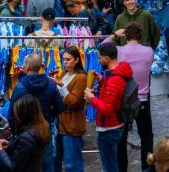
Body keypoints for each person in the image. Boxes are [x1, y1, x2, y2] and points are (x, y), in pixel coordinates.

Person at [111, 23, 154, 172]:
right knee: (146, 136)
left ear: (126, 36)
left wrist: (115, 34)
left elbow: (102, 47)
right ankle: (147, 168)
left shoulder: (119, 51)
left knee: (121, 140)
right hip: (142, 100)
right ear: (140, 36)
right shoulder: (149, 51)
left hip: (125, 100)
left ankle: (122, 169)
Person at [8, 54, 62, 170]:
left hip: (25, 132)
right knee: (47, 165)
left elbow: (11, 115)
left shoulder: (20, 87)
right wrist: (49, 117)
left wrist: (15, 132)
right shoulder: (51, 84)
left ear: (27, 66)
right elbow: (60, 107)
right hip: (45, 129)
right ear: (41, 66)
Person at [86, 43, 133, 172]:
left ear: (107, 59)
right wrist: (101, 80)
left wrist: (91, 98)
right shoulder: (117, 73)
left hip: (109, 128)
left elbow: (107, 109)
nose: (98, 60)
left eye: (99, 57)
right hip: (116, 124)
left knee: (109, 167)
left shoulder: (114, 79)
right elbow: (113, 94)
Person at [0, 94, 49, 171]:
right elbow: (27, 153)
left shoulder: (27, 137)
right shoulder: (41, 127)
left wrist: (0, 151)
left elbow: (14, 168)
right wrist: (10, 145)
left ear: (24, 115)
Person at [56, 46, 88, 172]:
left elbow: (74, 101)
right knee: (57, 158)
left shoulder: (81, 78)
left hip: (73, 125)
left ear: (76, 60)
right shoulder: (63, 74)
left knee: (72, 163)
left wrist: (62, 88)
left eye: (68, 59)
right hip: (60, 124)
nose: (65, 62)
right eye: (64, 59)